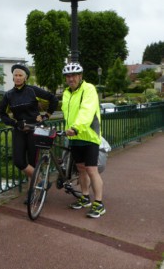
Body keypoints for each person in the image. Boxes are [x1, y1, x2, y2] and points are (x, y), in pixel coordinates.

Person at [0, 63, 58, 188]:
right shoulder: (8, 95)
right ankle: (41, 181)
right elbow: (2, 114)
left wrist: (46, 116)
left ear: (25, 78)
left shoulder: (32, 90)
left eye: (21, 75)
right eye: (16, 75)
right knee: (19, 161)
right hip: (19, 130)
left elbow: (53, 99)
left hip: (35, 129)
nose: (18, 77)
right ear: (13, 77)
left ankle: (32, 193)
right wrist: (14, 123)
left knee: (33, 161)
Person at [61, 62, 105, 218]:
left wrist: (77, 127)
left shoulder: (89, 89)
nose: (71, 78)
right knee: (80, 168)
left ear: (80, 76)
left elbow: (87, 110)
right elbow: (68, 115)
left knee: (91, 169)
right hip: (74, 137)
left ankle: (99, 203)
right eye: (68, 76)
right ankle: (85, 197)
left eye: (73, 75)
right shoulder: (66, 93)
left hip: (89, 135)